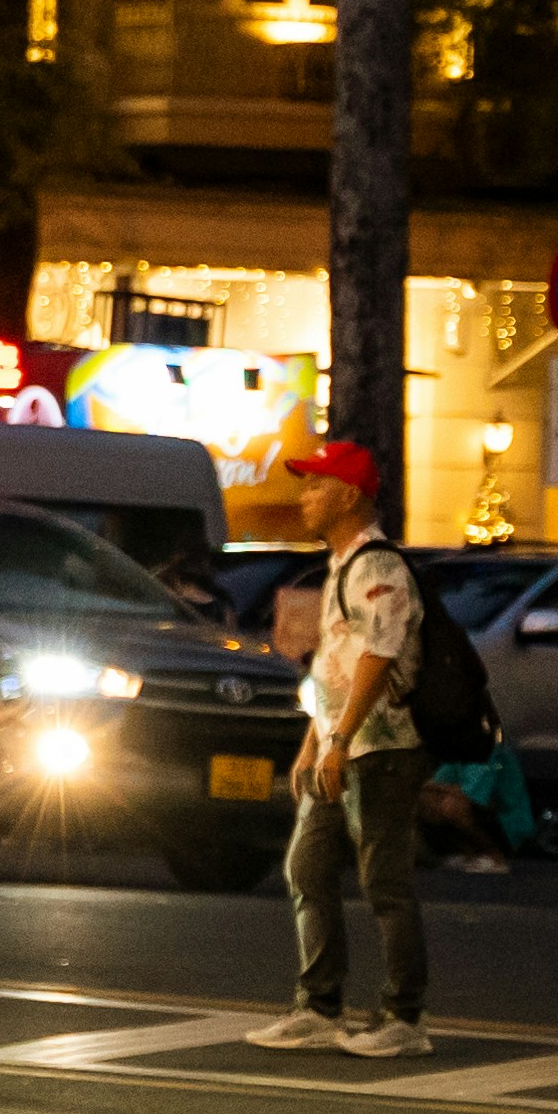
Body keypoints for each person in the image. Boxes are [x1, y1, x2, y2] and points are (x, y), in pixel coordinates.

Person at [246, 440, 431, 1059]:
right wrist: (313, 742)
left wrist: (342, 738)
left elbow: (378, 660)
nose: (303, 497)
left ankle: (404, 1018)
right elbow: (335, 666)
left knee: (385, 882)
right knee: (306, 866)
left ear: (349, 495)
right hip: (339, 747)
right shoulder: (341, 565)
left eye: (316, 485)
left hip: (381, 749)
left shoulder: (377, 567)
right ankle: (320, 1006)